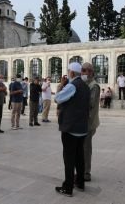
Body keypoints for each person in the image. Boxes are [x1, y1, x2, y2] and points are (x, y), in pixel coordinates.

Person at [54, 62, 90, 197]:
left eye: (69, 71)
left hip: (70, 128)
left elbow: (58, 99)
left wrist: (62, 85)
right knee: (79, 157)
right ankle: (80, 183)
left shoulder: (72, 85)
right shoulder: (85, 86)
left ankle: (67, 187)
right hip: (82, 127)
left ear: (72, 73)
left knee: (69, 158)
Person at [81, 62, 100, 182]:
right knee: (82, 148)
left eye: (83, 70)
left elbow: (91, 104)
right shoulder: (86, 84)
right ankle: (81, 170)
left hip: (89, 122)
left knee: (86, 149)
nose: (82, 73)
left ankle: (86, 173)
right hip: (83, 122)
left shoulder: (94, 86)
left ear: (90, 72)